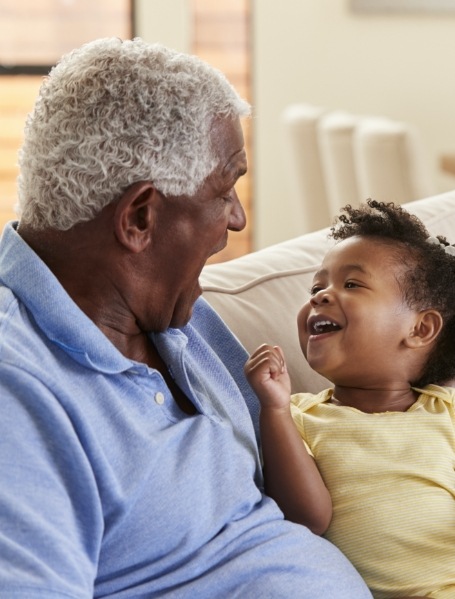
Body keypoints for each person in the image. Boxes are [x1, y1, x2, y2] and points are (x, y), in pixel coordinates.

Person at [0, 37, 372, 598]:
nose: (239, 219)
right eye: (226, 190)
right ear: (141, 217)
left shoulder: (172, 314)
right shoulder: (20, 391)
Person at [245, 199, 455, 599]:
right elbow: (308, 518)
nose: (321, 296)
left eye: (352, 284)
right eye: (316, 287)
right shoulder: (296, 417)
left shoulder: (445, 413)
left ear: (421, 328)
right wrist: (273, 408)